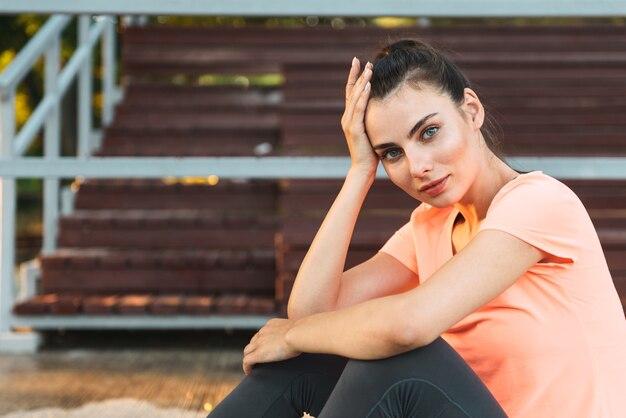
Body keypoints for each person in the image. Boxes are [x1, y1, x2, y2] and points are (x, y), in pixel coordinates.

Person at [208, 39, 626, 417]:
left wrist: (296, 334)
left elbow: (409, 325)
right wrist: (359, 172)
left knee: (403, 357)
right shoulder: (429, 225)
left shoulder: (539, 202)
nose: (417, 167)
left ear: (472, 110)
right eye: (392, 153)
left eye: (429, 132)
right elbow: (314, 311)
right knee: (306, 360)